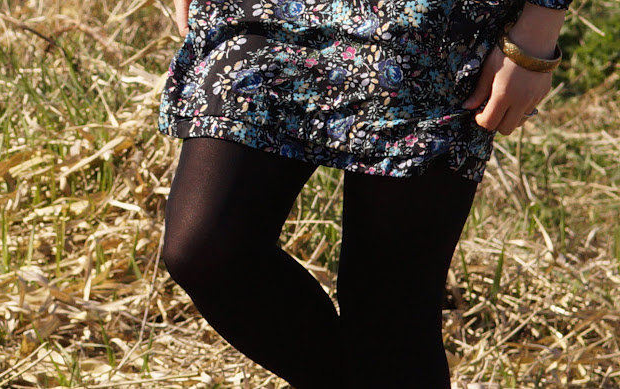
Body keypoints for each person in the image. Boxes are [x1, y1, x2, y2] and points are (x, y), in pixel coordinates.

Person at [157, 0, 571, 387]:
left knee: (389, 308)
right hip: (263, 11)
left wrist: (539, 27)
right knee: (205, 248)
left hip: (428, 24)